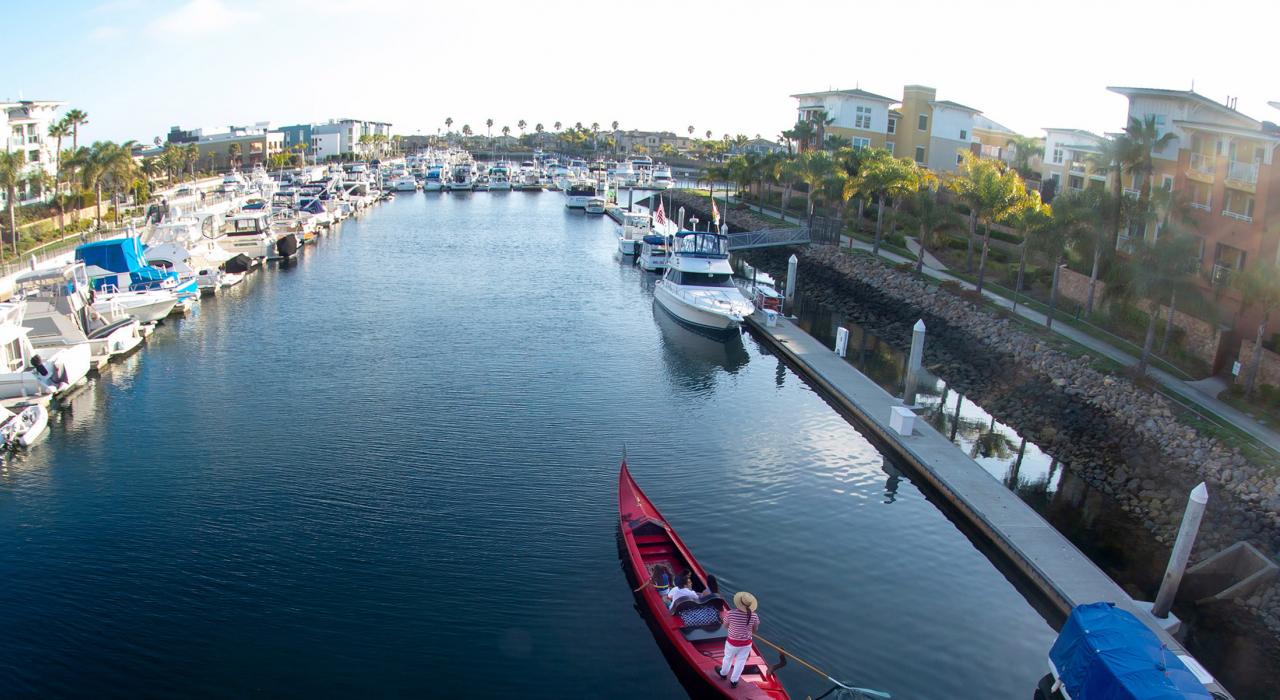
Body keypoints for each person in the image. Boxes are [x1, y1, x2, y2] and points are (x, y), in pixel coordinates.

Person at [717, 591, 760, 688]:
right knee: (741, 661)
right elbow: (755, 630)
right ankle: (734, 681)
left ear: (739, 603)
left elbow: (725, 626)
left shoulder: (730, 614)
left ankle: (723, 674)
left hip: (732, 643)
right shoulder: (754, 616)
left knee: (728, 658)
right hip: (746, 644)